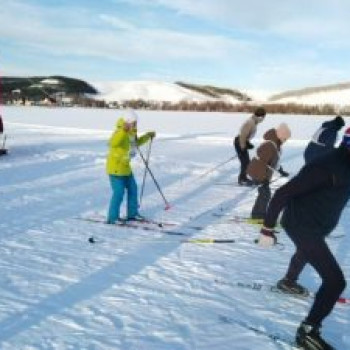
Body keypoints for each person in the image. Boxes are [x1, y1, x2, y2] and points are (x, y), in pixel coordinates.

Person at [257, 127, 350, 350]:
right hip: (302, 225)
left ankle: (288, 281)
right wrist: (268, 229)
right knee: (335, 282)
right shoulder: (326, 165)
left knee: (305, 252)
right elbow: (283, 193)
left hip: (317, 224)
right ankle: (307, 332)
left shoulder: (345, 163)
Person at [106, 109, 155, 224]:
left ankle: (132, 215)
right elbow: (112, 143)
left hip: (126, 168)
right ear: (127, 122)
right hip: (115, 169)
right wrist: (123, 130)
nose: (135, 125)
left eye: (136, 122)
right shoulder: (119, 132)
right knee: (118, 192)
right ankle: (112, 218)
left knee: (133, 189)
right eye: (133, 123)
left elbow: (135, 143)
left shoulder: (132, 133)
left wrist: (148, 136)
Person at [247, 123, 291, 219]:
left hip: (262, 172)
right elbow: (261, 162)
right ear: (280, 136)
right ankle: (257, 217)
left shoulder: (276, 145)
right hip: (258, 172)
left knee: (264, 194)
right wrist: (263, 178)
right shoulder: (269, 145)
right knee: (265, 194)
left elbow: (274, 161)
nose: (285, 140)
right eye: (285, 138)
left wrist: (281, 170)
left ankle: (256, 215)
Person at [234, 107, 266, 186]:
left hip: (242, 142)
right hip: (239, 142)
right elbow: (243, 135)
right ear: (261, 116)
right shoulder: (250, 122)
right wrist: (243, 146)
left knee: (247, 162)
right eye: (264, 117)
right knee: (245, 162)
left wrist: (247, 143)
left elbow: (246, 136)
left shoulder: (254, 121)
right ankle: (242, 179)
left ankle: (243, 178)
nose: (264, 119)